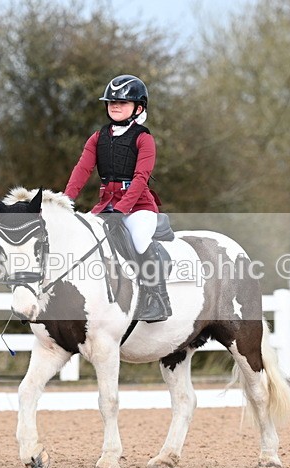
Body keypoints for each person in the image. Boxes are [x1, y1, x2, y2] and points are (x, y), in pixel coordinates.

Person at [64, 74, 172, 322]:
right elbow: (82, 169)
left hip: (139, 207)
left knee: (139, 240)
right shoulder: (97, 137)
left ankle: (158, 298)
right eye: (111, 101)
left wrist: (122, 209)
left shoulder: (144, 139)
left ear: (139, 107)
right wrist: (65, 200)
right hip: (106, 205)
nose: (115, 105)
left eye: (122, 102)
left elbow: (140, 178)